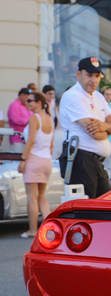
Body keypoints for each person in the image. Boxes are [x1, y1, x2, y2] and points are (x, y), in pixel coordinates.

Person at [59, 57, 111, 199]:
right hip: (81, 160)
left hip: (95, 162)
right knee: (87, 210)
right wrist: (110, 128)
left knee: (104, 207)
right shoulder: (73, 96)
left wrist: (104, 126)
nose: (93, 80)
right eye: (89, 75)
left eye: (97, 76)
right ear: (78, 74)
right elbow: (95, 134)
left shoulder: (98, 97)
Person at [17, 92, 54, 238]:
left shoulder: (34, 118)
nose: (28, 104)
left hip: (34, 159)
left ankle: (33, 230)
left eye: (30, 101)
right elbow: (51, 144)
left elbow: (31, 140)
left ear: (39, 102)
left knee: (32, 197)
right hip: (47, 160)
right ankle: (50, 229)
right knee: (41, 196)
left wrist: (23, 159)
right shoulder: (50, 119)